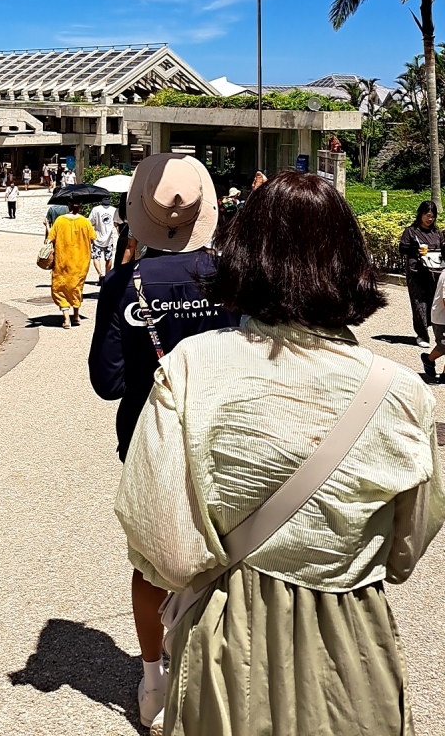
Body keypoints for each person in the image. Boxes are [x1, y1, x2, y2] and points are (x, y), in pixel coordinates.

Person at [115, 171, 445, 736]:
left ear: (243, 256)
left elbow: (162, 545)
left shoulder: (191, 368)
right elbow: (405, 551)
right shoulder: (401, 393)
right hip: (353, 647)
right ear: (352, 262)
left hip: (227, 642)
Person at [89, 153, 237, 729]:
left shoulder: (122, 284)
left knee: (153, 560)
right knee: (227, 552)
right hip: (222, 435)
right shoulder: (231, 277)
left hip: (147, 437)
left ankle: (153, 679)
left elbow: (108, 382)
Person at [399, 201, 445, 346]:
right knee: (419, 303)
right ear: (420, 214)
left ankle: (438, 333)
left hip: (435, 272)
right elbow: (402, 248)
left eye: (432, 216)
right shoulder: (411, 231)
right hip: (416, 272)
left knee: (434, 303)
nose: (429, 219)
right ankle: (422, 335)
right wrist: (414, 249)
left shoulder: (437, 232)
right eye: (427, 215)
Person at [48, 200, 96, 328]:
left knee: (60, 288)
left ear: (68, 206)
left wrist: (47, 226)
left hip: (62, 261)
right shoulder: (85, 222)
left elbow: (50, 238)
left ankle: (66, 319)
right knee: (77, 287)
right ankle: (76, 316)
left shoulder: (59, 221)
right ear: (80, 207)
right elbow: (92, 239)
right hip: (81, 261)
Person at [89, 194, 117, 283]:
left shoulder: (95, 209)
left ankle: (100, 274)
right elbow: (116, 223)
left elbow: (90, 222)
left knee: (96, 257)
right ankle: (107, 277)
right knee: (109, 258)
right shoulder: (114, 210)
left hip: (97, 238)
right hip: (109, 239)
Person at [114, 193, 137, 266]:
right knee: (131, 256)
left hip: (122, 235)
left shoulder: (118, 210)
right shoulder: (133, 209)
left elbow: (115, 223)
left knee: (119, 256)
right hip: (132, 234)